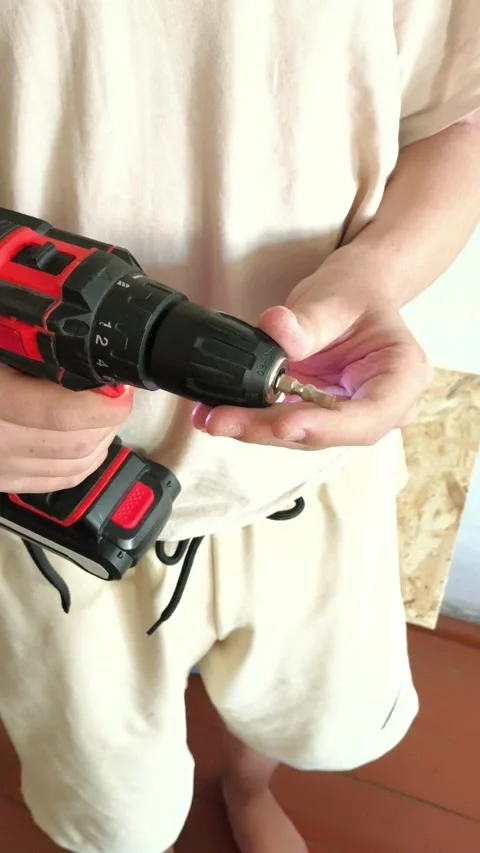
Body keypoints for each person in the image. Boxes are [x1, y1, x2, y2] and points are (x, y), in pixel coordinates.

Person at [0, 2, 479, 852]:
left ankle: (245, 784)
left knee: (318, 714)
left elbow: (454, 125)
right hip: (48, 508)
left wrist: (375, 272)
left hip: (309, 476)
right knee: (114, 811)